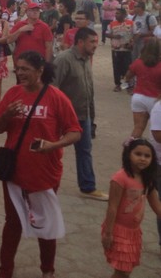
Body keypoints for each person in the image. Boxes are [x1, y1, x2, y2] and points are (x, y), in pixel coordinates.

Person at [0, 51, 82, 278]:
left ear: (40, 70)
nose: (20, 73)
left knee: (46, 226)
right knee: (12, 224)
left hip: (45, 173)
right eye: (18, 69)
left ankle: (47, 270)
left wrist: (53, 145)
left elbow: (75, 132)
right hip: (14, 171)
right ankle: (5, 271)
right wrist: (7, 115)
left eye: (25, 69)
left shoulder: (56, 97)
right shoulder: (12, 94)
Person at [54, 28, 107, 199]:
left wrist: (92, 117)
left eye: (96, 42)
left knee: (85, 150)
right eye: (92, 41)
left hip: (83, 115)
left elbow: (88, 91)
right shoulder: (64, 59)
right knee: (52, 150)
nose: (95, 45)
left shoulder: (86, 60)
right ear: (80, 42)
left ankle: (87, 186)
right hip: (62, 117)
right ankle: (44, 183)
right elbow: (52, 89)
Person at [102, 139, 161, 278]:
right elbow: (112, 207)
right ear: (128, 154)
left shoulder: (148, 179)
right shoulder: (120, 178)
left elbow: (157, 206)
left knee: (125, 270)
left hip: (134, 233)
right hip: (117, 231)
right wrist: (108, 234)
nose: (142, 158)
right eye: (138, 154)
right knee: (122, 271)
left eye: (147, 156)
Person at [125, 39, 161, 140]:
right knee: (157, 130)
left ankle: (130, 147)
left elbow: (128, 76)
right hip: (156, 99)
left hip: (138, 97)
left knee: (138, 128)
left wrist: (129, 85)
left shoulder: (138, 62)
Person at [106, 8, 134, 92]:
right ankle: (118, 85)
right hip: (116, 49)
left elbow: (136, 34)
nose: (116, 15)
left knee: (127, 67)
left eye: (118, 13)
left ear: (124, 15)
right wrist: (114, 36)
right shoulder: (112, 24)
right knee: (117, 67)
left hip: (127, 49)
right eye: (116, 13)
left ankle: (128, 85)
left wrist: (132, 43)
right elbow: (107, 33)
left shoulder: (131, 23)